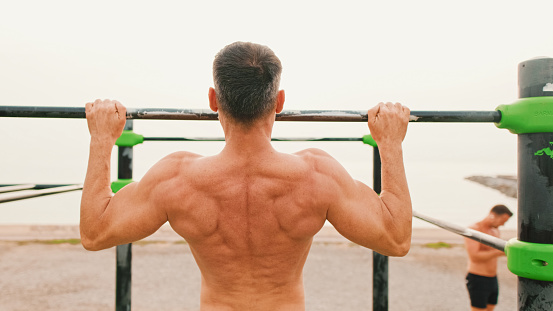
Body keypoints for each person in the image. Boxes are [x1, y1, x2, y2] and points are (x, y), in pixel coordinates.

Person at [80, 41, 412, 310]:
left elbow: (95, 233)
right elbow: (396, 239)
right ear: (279, 101)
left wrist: (102, 140)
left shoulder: (176, 178)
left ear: (213, 99)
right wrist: (390, 143)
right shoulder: (317, 176)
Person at [464, 204, 513, 311]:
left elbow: (492, 253)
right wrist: (501, 252)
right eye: (503, 220)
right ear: (492, 215)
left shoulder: (495, 231)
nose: (503, 224)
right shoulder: (474, 230)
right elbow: (475, 257)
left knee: (490, 309)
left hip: (493, 278)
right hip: (478, 278)